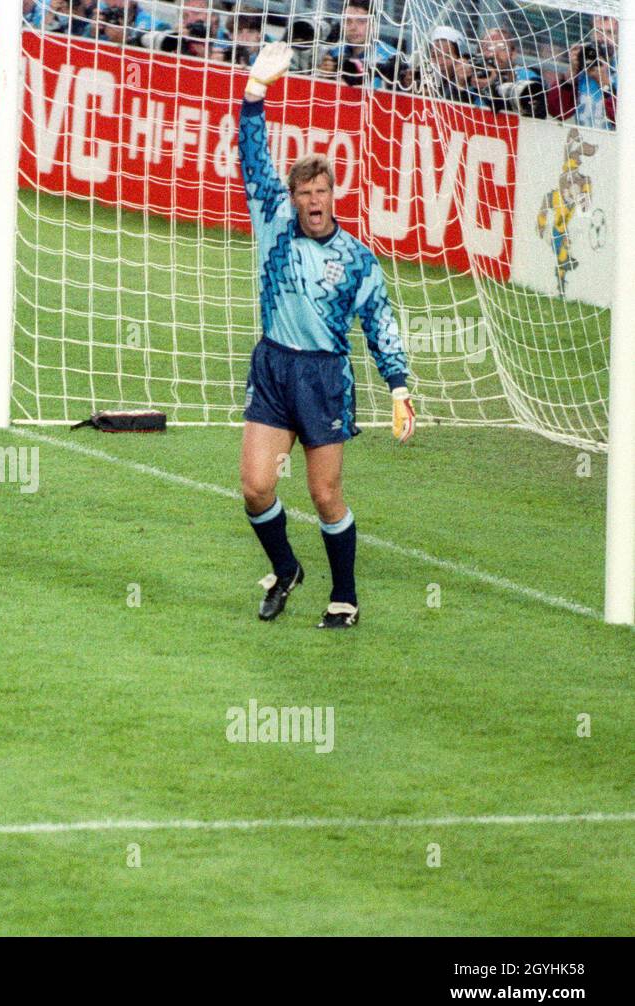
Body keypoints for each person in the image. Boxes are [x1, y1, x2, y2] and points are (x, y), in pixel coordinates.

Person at [236, 42, 414, 629]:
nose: (314, 203)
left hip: (323, 378)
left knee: (323, 495)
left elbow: (381, 322)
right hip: (274, 365)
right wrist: (254, 96)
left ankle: (345, 596)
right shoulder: (275, 224)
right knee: (256, 487)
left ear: (334, 196)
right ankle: (286, 569)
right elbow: (254, 157)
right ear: (292, 199)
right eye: (304, 194)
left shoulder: (358, 260)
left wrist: (399, 386)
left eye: (322, 193)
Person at [326, 0, 399, 89]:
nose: (353, 28)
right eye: (348, 21)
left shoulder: (390, 56)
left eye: (361, 21)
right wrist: (323, 76)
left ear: (373, 25)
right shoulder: (333, 53)